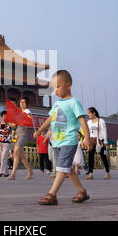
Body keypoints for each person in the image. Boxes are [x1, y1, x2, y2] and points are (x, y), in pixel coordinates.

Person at [33, 70, 92, 205]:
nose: (56, 90)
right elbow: (50, 119)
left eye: (58, 86)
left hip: (69, 140)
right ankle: (81, 191)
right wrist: (40, 130)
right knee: (68, 168)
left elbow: (82, 120)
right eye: (54, 87)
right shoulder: (57, 104)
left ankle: (52, 194)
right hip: (57, 141)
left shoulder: (73, 102)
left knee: (61, 167)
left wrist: (87, 138)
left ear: (68, 85)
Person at [7, 97, 34, 180]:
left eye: (24, 102)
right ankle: (30, 171)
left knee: (15, 153)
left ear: (27, 104)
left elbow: (25, 122)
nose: (21, 104)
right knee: (22, 157)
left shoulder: (27, 112)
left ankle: (13, 174)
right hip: (17, 136)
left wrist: (13, 123)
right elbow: (15, 124)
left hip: (22, 135)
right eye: (21, 102)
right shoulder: (19, 112)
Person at [85, 107, 110, 180]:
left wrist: (105, 141)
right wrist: (85, 140)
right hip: (91, 140)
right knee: (90, 156)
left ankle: (107, 173)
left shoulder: (101, 121)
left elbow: (104, 131)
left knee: (103, 156)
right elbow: (87, 132)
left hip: (100, 140)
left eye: (89, 113)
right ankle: (90, 173)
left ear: (94, 113)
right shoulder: (88, 122)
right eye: (88, 113)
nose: (88, 115)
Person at [0, 111, 12, 177]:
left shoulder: (9, 124)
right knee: (1, 157)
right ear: (2, 116)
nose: (5, 117)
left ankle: (1, 172)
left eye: (6, 116)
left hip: (6, 142)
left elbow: (9, 132)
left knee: (4, 157)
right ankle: (6, 172)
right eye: (4, 116)